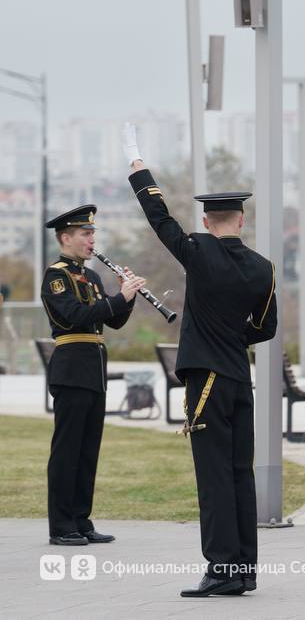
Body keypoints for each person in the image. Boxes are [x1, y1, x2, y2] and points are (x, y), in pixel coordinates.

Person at [125, 125, 277, 598]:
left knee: (213, 478)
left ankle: (221, 569)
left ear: (209, 222)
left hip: (206, 380)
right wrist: (235, 336)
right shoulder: (262, 267)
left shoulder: (199, 251)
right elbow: (266, 329)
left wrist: (138, 168)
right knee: (239, 475)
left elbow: (159, 217)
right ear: (241, 221)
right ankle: (244, 569)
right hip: (237, 376)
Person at [42, 204, 142, 547]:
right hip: (71, 367)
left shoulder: (93, 276)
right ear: (65, 237)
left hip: (94, 367)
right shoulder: (57, 276)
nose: (91, 239)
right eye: (85, 234)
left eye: (93, 234)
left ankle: (81, 519)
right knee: (67, 450)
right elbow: (75, 317)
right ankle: (61, 525)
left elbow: (112, 321)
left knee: (88, 451)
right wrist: (118, 298)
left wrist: (125, 297)